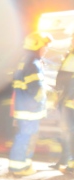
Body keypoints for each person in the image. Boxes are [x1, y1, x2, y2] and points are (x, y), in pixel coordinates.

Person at [9, 31, 53, 177]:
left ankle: (23, 164)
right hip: (30, 110)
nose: (45, 50)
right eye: (44, 47)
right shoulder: (33, 64)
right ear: (37, 46)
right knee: (26, 138)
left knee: (25, 137)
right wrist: (49, 99)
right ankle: (19, 168)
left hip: (24, 108)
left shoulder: (25, 61)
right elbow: (36, 90)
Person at [53, 34, 74, 171]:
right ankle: (64, 159)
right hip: (65, 100)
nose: (72, 42)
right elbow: (62, 79)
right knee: (65, 131)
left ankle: (70, 162)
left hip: (70, 101)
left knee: (70, 131)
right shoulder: (69, 56)